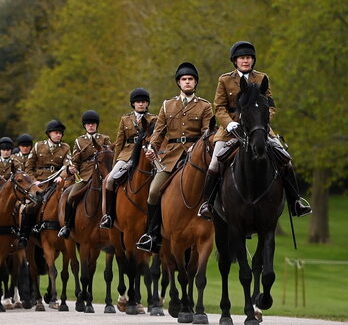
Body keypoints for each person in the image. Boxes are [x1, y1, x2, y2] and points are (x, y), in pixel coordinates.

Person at [197, 41, 312, 220]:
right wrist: (229, 123)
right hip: (230, 130)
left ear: (253, 60)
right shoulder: (225, 80)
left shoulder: (262, 78)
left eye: (249, 58)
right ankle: (207, 204)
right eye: (242, 58)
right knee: (214, 164)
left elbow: (271, 106)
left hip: (259, 128)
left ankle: (295, 202)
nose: (246, 61)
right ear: (235, 61)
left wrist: (263, 121)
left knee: (286, 161)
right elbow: (219, 107)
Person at [135, 62, 213, 253]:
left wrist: (196, 147)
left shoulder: (205, 106)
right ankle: (152, 234)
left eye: (190, 80)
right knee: (153, 191)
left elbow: (207, 133)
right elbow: (159, 131)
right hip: (171, 156)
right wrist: (152, 147)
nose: (187, 82)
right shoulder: (167, 105)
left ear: (195, 83)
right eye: (184, 80)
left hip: (197, 155)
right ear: (179, 83)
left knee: (217, 183)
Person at [99, 88, 157, 228]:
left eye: (143, 102)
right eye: (138, 102)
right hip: (127, 155)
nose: (141, 104)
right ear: (133, 104)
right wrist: (115, 163)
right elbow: (119, 143)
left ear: (147, 104)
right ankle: (109, 215)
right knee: (110, 180)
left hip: (147, 154)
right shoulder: (125, 119)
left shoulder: (154, 119)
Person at [58, 110, 112, 239]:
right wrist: (73, 168)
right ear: (85, 126)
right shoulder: (79, 141)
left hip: (102, 172)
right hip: (86, 174)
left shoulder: (105, 139)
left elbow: (110, 155)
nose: (91, 126)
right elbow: (76, 159)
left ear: (97, 125)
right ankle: (67, 226)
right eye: (88, 124)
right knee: (70, 197)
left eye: (93, 123)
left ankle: (111, 219)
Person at [24, 120, 71, 247]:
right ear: (49, 134)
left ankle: (68, 229)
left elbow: (68, 165)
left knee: (68, 202)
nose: (59, 135)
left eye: (60, 133)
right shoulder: (38, 146)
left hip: (57, 183)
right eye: (56, 133)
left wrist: (61, 177)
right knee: (29, 206)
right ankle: (26, 233)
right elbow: (28, 167)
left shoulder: (66, 147)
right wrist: (34, 181)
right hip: (40, 183)